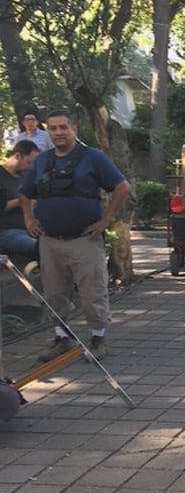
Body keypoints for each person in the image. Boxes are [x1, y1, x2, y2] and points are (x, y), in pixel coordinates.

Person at [19, 109, 131, 361]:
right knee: (54, 293)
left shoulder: (92, 157)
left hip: (84, 239)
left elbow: (122, 186)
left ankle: (98, 338)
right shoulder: (41, 160)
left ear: (74, 129)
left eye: (63, 127)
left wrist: (106, 219)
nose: (58, 133)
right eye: (53, 128)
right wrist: (28, 218)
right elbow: (25, 193)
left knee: (93, 292)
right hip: (49, 240)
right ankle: (61, 337)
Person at [0, 140, 40, 264]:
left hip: (30, 227)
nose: (30, 167)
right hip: (7, 231)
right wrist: (22, 200)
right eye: (29, 162)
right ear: (17, 156)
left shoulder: (25, 177)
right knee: (38, 246)